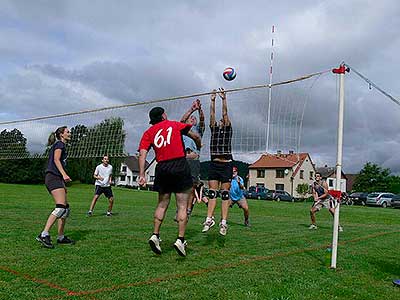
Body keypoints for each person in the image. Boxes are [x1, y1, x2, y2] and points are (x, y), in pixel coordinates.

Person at [138, 106, 201, 257]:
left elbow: (142, 154)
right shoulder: (173, 124)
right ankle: (180, 240)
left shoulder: (148, 132)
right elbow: (195, 136)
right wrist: (198, 146)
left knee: (162, 204)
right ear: (164, 115)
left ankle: (155, 235)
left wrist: (142, 174)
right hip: (179, 165)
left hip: (162, 168)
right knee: (182, 205)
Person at [36, 126, 75, 248]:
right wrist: (64, 175)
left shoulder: (61, 145)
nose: (70, 133)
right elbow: (56, 160)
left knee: (66, 209)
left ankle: (61, 237)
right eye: (67, 132)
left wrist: (62, 184)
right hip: (53, 177)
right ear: (61, 134)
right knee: (60, 208)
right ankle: (44, 234)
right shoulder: (60, 145)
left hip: (56, 178)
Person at [202, 88, 233, 236]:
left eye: (223, 121)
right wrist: (212, 100)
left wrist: (223, 99)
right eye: (220, 121)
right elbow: (212, 115)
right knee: (212, 193)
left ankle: (224, 223)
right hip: (214, 164)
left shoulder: (227, 130)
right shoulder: (214, 130)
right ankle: (209, 219)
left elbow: (225, 114)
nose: (221, 121)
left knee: (225, 194)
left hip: (226, 164)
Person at [179, 99, 205, 219]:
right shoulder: (184, 131)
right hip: (183, 159)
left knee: (192, 186)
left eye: (195, 119)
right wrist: (192, 109)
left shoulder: (198, 130)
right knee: (183, 186)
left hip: (194, 160)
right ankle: (182, 209)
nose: (193, 119)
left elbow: (203, 120)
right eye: (191, 118)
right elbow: (182, 120)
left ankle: (188, 209)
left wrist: (199, 110)